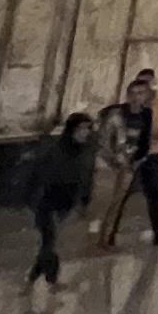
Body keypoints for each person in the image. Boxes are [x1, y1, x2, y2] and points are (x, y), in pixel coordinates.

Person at [97, 69, 158, 247]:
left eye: (144, 89)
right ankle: (107, 235)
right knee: (117, 199)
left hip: (146, 156)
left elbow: (153, 133)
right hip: (122, 160)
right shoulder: (119, 113)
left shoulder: (154, 109)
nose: (139, 95)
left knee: (153, 193)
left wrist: (142, 154)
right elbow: (106, 138)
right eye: (136, 91)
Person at [25, 112, 95, 290]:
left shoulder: (85, 151)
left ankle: (34, 281)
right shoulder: (56, 150)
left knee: (49, 244)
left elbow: (85, 177)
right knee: (49, 243)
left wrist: (83, 200)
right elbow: (40, 174)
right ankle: (49, 279)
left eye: (88, 128)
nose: (85, 132)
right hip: (47, 202)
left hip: (65, 203)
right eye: (81, 128)